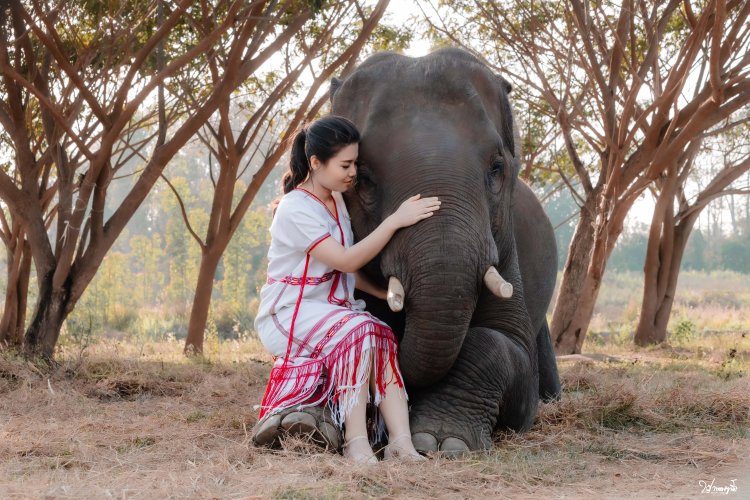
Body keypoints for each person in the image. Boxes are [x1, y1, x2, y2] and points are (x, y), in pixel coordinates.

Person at [253, 115, 440, 463]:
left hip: (329, 311)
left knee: (381, 334)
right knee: (359, 332)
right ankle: (357, 443)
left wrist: (384, 294)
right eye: (345, 164)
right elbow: (345, 260)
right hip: (289, 313)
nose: (352, 172)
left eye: (355, 163)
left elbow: (347, 275)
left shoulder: (337, 202)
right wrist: (396, 220)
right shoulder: (295, 208)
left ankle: (401, 443)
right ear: (315, 163)